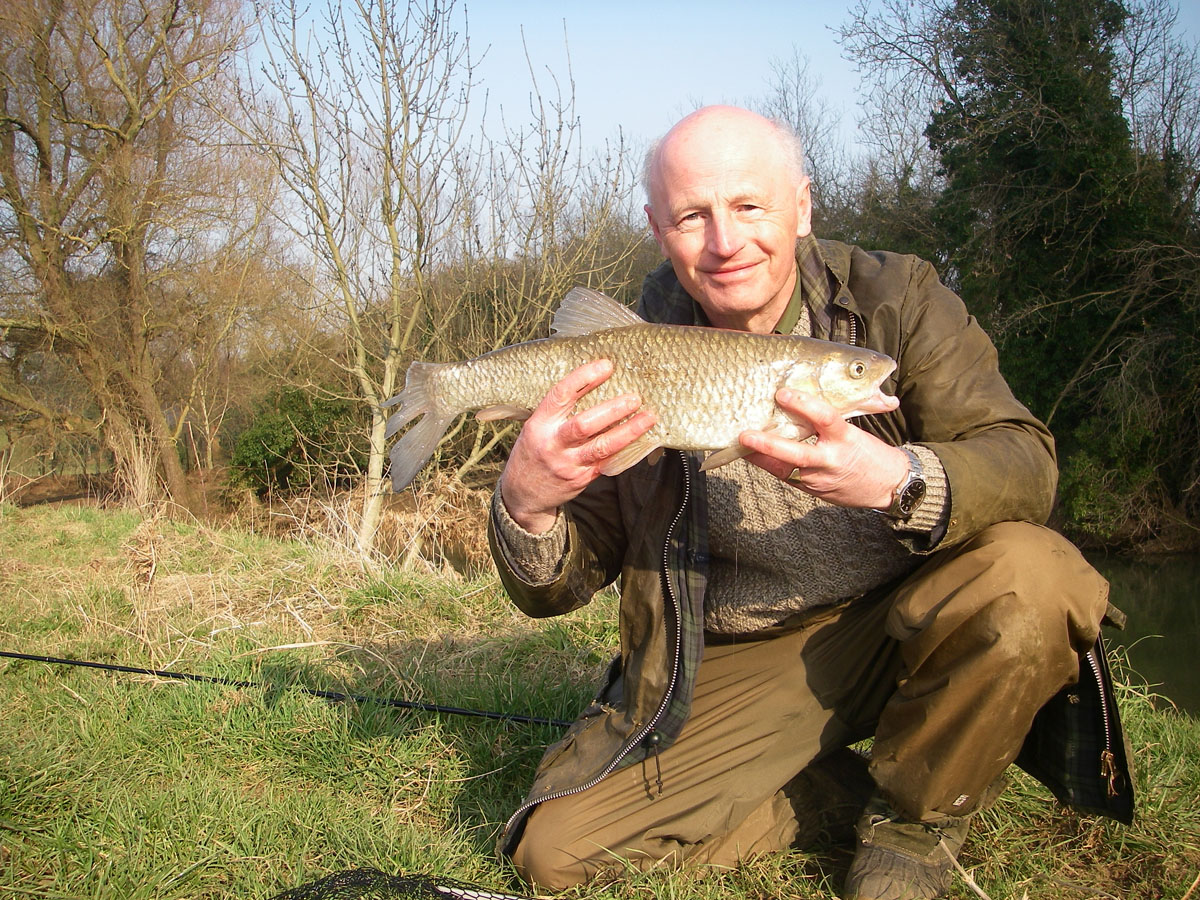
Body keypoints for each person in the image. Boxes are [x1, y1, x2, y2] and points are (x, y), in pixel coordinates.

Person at [486, 106, 1133, 900]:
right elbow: (560, 584)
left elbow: (1025, 462)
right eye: (694, 216)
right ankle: (818, 793)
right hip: (748, 653)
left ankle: (914, 827)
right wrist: (528, 502)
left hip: (912, 620)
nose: (726, 243)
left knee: (1035, 573)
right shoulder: (636, 349)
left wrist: (896, 478)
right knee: (552, 856)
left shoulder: (901, 300)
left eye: (751, 206)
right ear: (659, 229)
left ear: (803, 204)